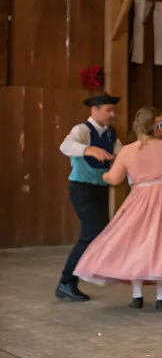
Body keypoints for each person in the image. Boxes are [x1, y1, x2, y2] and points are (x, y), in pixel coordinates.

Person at [74, 107, 162, 311]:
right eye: (161, 124)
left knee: (137, 241)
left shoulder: (127, 150)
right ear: (153, 126)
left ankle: (137, 296)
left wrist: (104, 173)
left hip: (140, 197)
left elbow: (114, 179)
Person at [55, 93, 123, 302]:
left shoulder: (112, 134)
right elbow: (65, 146)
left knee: (96, 233)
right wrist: (88, 149)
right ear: (95, 110)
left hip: (101, 189)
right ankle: (67, 282)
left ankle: (73, 280)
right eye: (108, 110)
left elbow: (122, 155)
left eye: (113, 110)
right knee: (92, 233)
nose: (112, 114)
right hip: (81, 188)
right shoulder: (81, 130)